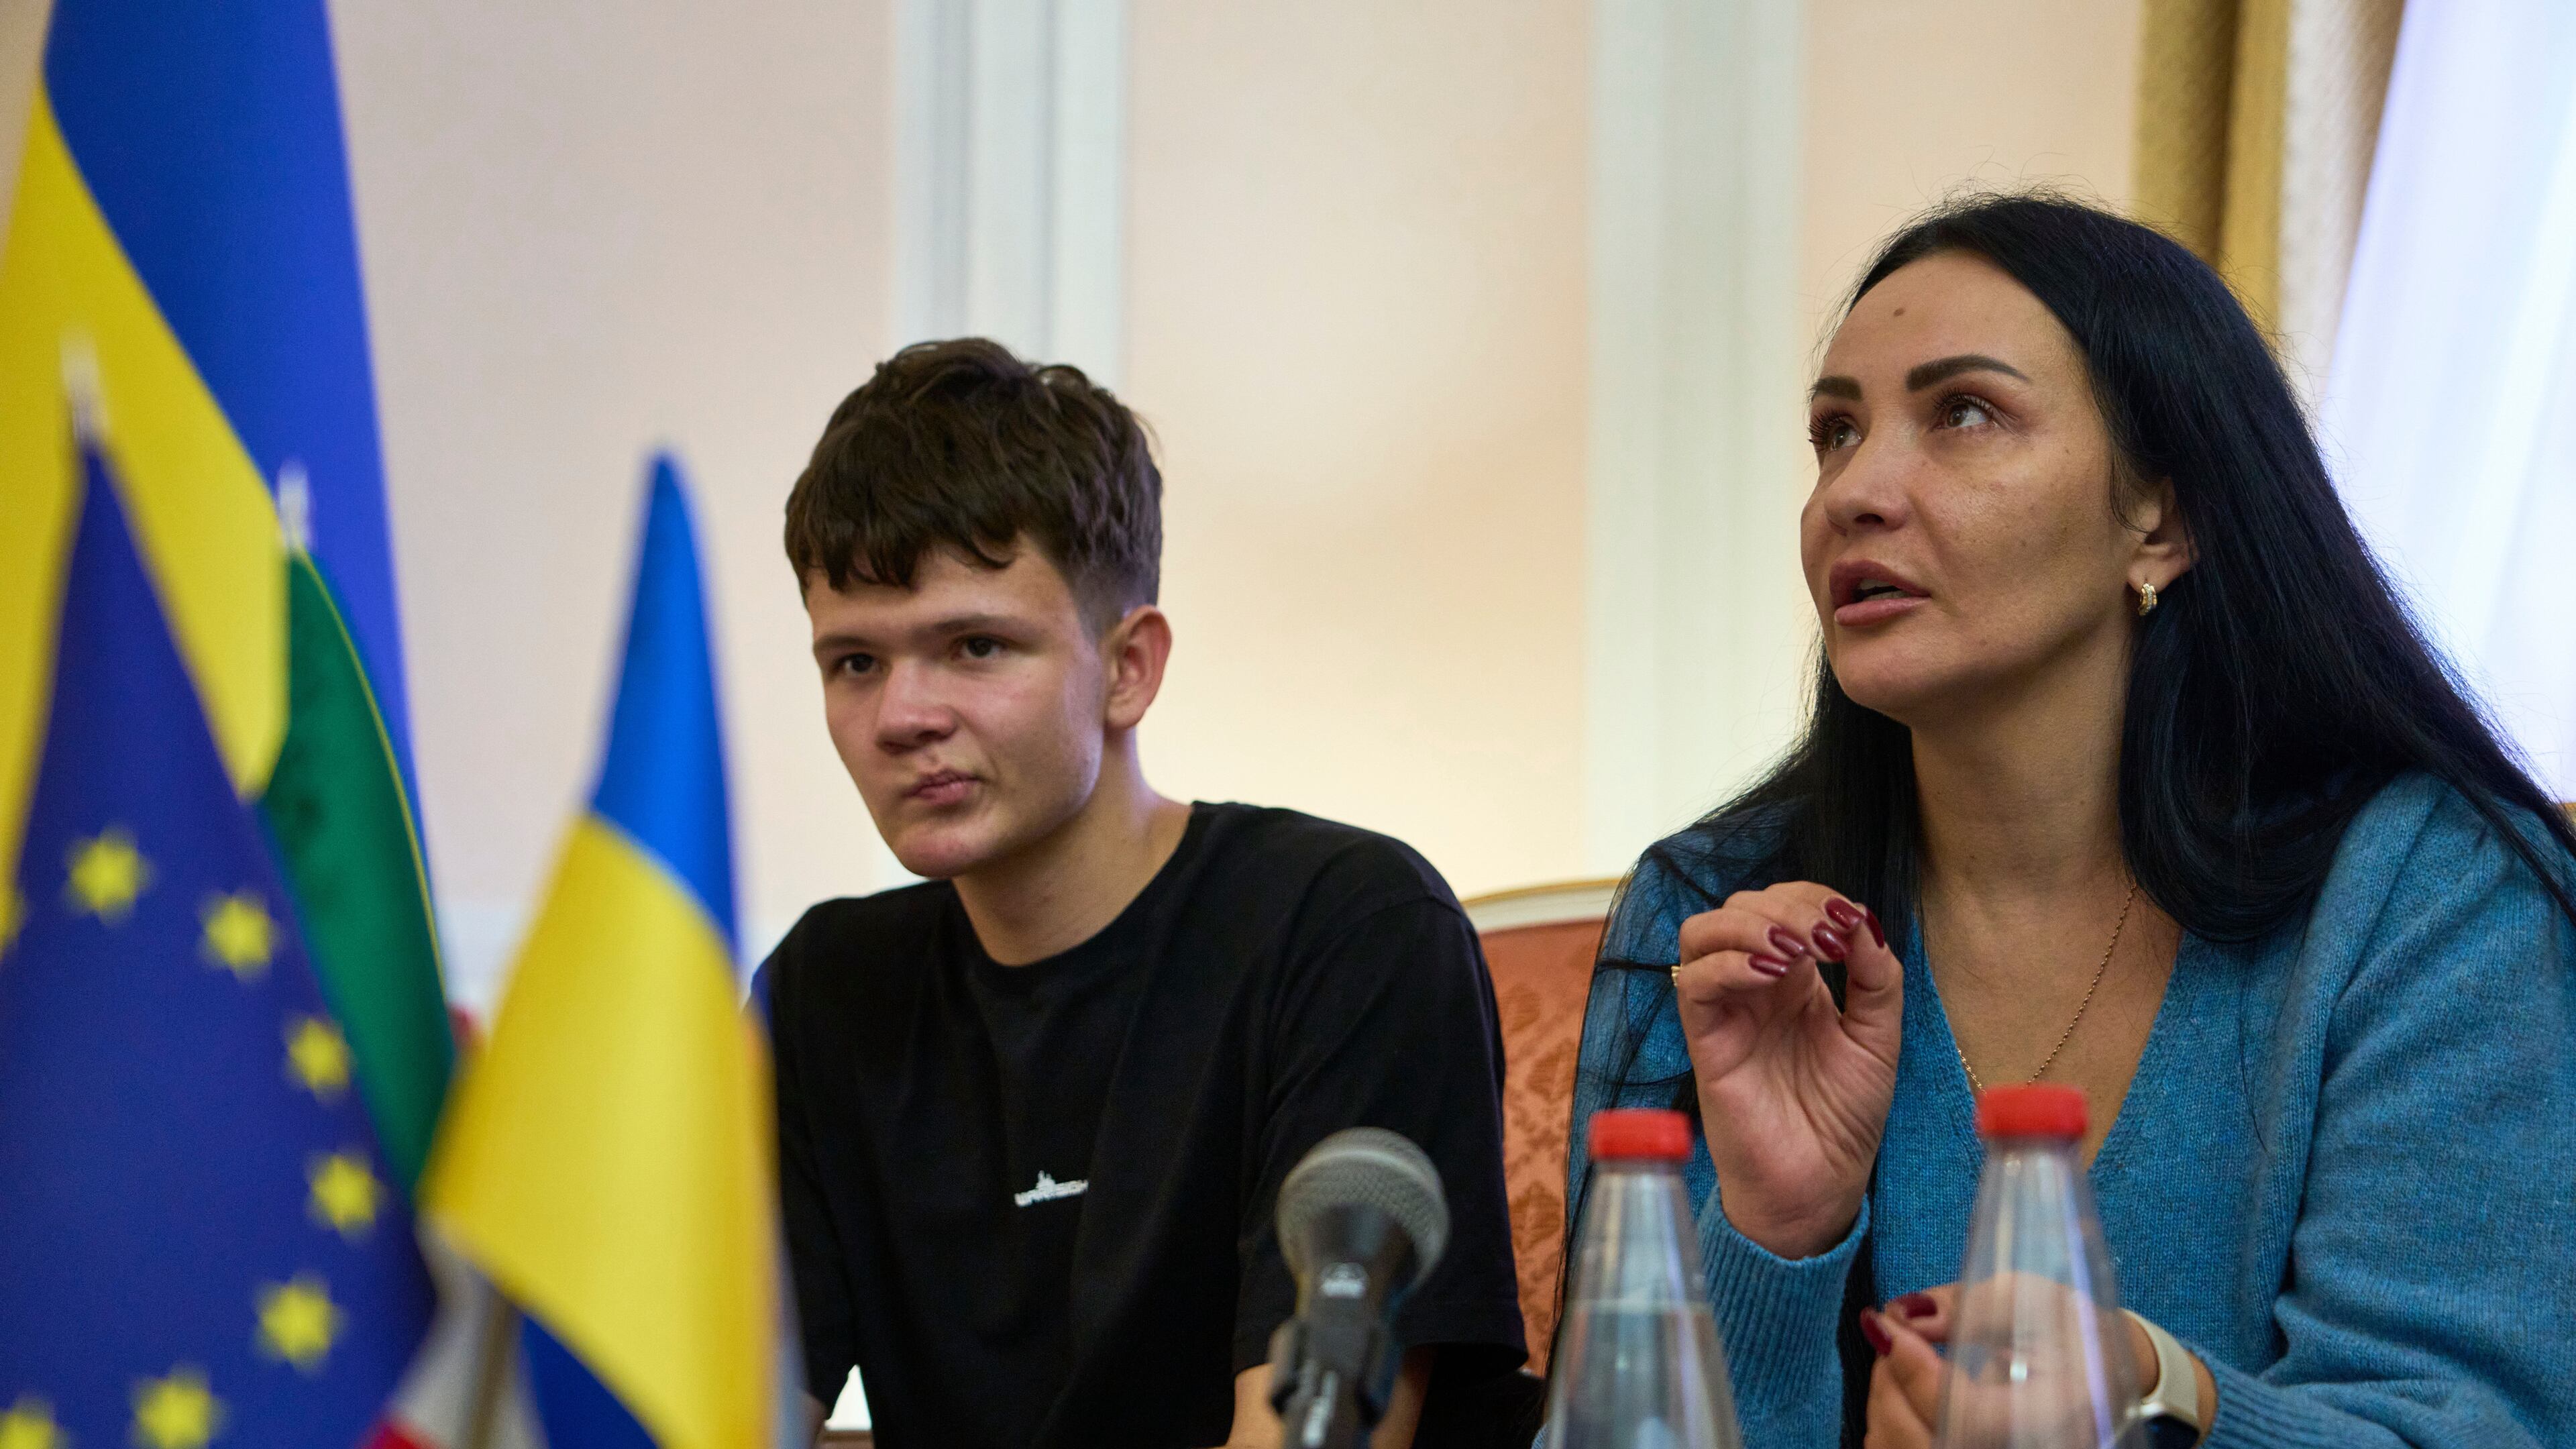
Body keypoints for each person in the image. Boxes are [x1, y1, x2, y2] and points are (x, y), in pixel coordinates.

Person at [1566, 193, 2576, 1449]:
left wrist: (2153, 1388)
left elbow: (2475, 1427)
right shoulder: (1725, 918)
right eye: (1836, 432)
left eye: (1965, 414)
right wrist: (1775, 1235)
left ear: (2163, 518)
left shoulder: (2428, 895)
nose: (1854, 492)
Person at [758, 339, 1529, 1449]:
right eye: (854, 664)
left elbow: (1313, 1437)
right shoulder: (826, 990)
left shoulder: (1349, 926)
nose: (900, 718)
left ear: (1129, 667)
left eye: (975, 646)